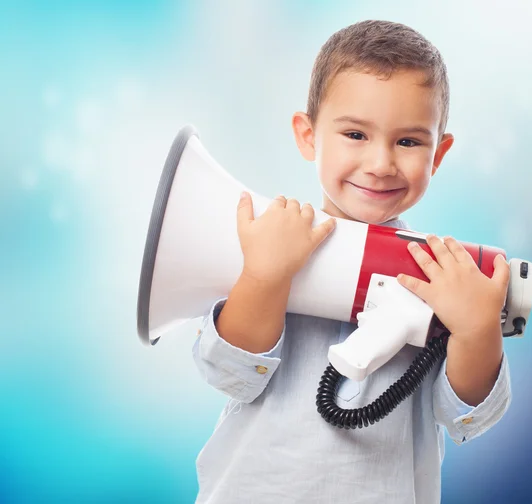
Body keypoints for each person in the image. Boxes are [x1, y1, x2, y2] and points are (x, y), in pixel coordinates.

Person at [192, 19, 511, 504]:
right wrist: (264, 276)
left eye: (408, 141)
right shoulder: (273, 242)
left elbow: (466, 414)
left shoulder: (443, 275)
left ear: (438, 154)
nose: (381, 164)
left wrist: (476, 329)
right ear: (308, 135)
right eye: (356, 134)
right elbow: (228, 371)